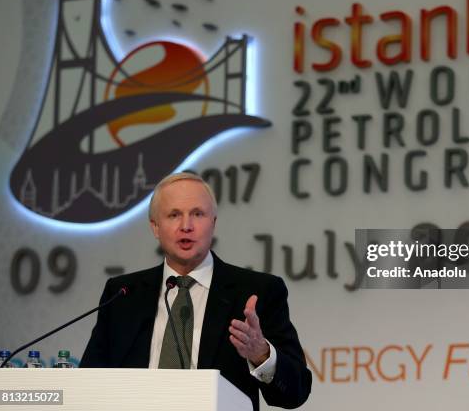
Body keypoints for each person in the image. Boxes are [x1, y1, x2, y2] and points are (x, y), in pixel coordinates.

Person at [80, 172, 311, 410]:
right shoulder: (122, 294)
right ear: (155, 227)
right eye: (174, 215)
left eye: (197, 214)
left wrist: (261, 354)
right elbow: (88, 382)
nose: (186, 226)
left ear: (213, 223)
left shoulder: (257, 291)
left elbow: (296, 392)